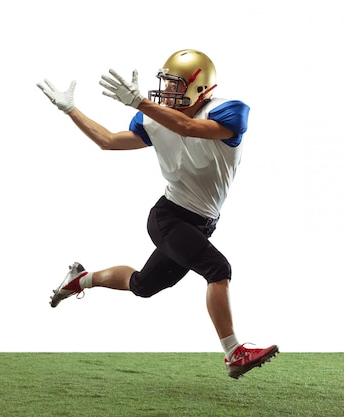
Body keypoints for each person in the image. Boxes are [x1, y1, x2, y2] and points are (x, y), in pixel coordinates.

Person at [37, 49, 278, 379]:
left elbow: (190, 128)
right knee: (218, 269)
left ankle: (81, 278)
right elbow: (108, 140)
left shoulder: (229, 112)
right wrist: (71, 110)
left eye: (175, 85)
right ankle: (234, 353)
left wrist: (140, 104)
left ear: (198, 88)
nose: (166, 92)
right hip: (168, 217)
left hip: (201, 223)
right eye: (165, 84)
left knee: (143, 285)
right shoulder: (153, 116)